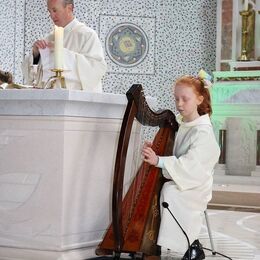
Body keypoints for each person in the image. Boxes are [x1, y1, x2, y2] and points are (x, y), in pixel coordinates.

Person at [142, 70, 220, 260]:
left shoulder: (203, 132)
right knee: (159, 189)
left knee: (170, 192)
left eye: (185, 99)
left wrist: (160, 161)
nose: (179, 104)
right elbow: (173, 150)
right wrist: (156, 149)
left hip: (195, 183)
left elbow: (191, 166)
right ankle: (151, 242)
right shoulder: (179, 123)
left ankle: (191, 244)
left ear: (200, 99)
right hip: (179, 175)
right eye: (176, 98)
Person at [22, 0, 107, 92]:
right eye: (49, 11)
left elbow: (96, 69)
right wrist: (36, 55)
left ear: (69, 8)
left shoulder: (86, 35)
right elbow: (33, 79)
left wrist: (61, 53)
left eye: (55, 10)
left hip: (76, 101)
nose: (51, 16)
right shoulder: (48, 38)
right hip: (49, 101)